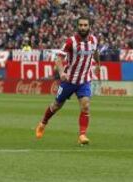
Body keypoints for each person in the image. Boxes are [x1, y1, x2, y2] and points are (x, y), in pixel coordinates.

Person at [35, 15, 101, 145]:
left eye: (85, 25)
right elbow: (59, 58)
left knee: (85, 106)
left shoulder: (94, 40)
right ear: (77, 26)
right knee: (56, 105)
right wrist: (61, 72)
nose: (83, 27)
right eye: (80, 25)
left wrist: (98, 63)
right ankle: (43, 123)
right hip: (69, 80)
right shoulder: (71, 41)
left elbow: (95, 52)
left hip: (84, 80)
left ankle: (82, 135)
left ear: (89, 27)